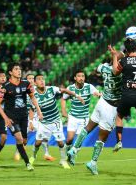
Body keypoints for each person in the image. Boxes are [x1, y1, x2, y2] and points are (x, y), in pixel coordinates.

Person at [67, 46, 121, 175]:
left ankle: (74, 149)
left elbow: (98, 68)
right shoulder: (122, 72)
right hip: (111, 106)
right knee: (102, 137)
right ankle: (93, 162)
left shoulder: (104, 67)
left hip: (101, 102)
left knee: (88, 127)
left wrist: (110, 59)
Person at [29, 74, 84, 169]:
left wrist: (76, 95)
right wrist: (30, 121)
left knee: (61, 143)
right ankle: (33, 156)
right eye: (39, 79)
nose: (42, 81)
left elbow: (64, 90)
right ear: (35, 82)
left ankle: (63, 160)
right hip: (43, 123)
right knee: (37, 143)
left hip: (55, 121)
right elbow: (31, 109)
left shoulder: (51, 89)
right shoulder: (33, 95)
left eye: (43, 79)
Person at [0, 62, 43, 171]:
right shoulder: (5, 87)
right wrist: (5, 118)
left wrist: (39, 111)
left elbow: (32, 97)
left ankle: (20, 152)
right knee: (19, 138)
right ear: (10, 72)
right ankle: (27, 163)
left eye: (20, 69)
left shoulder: (26, 83)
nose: (19, 71)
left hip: (23, 116)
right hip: (11, 118)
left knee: (24, 140)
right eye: (16, 69)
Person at [61, 70, 100, 154]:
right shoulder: (70, 88)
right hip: (73, 117)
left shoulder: (89, 87)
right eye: (79, 76)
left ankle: (71, 156)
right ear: (75, 78)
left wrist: (98, 94)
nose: (81, 78)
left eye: (83, 76)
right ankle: (67, 152)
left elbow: (96, 92)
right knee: (69, 139)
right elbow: (63, 99)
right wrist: (63, 111)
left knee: (79, 142)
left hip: (84, 118)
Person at [26, 73, 55, 162]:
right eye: (29, 78)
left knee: (43, 136)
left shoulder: (36, 90)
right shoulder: (23, 90)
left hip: (38, 117)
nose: (30, 80)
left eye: (32, 78)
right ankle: (18, 151)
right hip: (27, 117)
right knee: (22, 136)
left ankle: (46, 154)